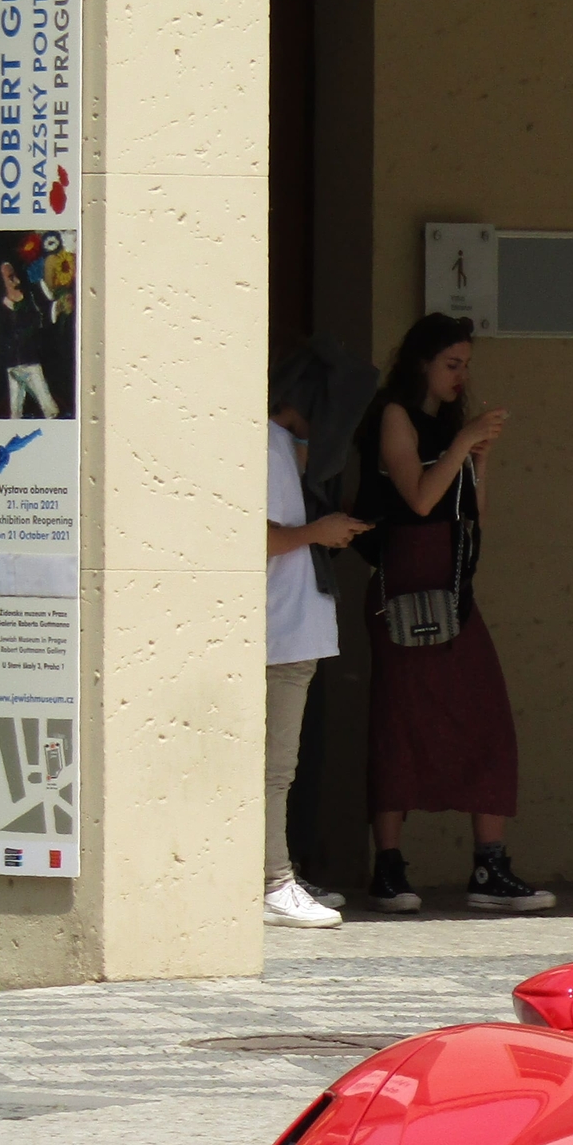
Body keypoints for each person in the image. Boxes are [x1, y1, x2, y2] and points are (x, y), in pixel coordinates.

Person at [352, 313, 551, 913]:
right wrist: (462, 445)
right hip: (405, 583)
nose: (461, 376)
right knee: (400, 721)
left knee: (486, 715)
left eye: (466, 364)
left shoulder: (447, 425)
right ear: (423, 364)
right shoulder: (395, 414)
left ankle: (489, 865)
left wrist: (478, 460)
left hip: (453, 582)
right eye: (452, 365)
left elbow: (471, 512)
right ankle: (388, 866)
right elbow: (417, 497)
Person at [263, 374, 368, 928]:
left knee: (284, 768)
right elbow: (254, 534)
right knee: (274, 769)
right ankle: (272, 882)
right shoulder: (258, 443)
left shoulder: (285, 447)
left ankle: (280, 872)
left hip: (297, 630)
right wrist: (317, 532)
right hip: (275, 631)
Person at [0, 259, 58, 418]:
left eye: (13, 275)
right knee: (15, 412)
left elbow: (43, 319)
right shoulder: (1, 307)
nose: (14, 279)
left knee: (49, 408)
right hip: (12, 366)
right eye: (9, 277)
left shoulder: (30, 296)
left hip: (30, 361)